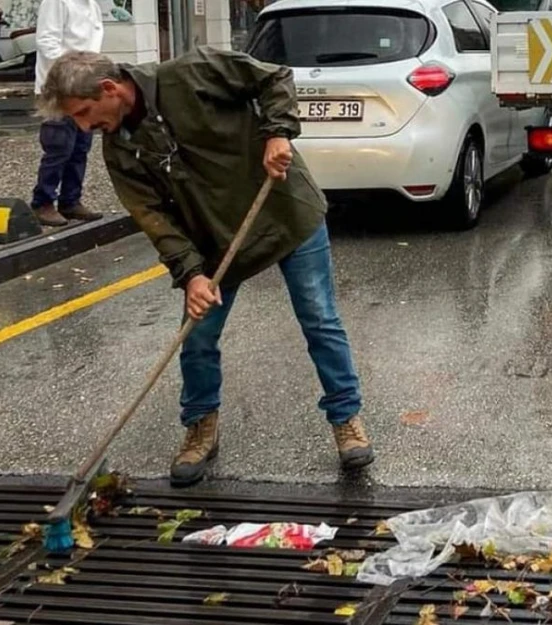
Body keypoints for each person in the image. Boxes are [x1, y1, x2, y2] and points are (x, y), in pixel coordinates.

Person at [34, 47, 373, 487]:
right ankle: (200, 427)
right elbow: (155, 219)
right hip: (213, 242)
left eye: (84, 112)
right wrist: (191, 274)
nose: (84, 126)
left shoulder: (191, 73)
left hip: (283, 210)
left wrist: (277, 133)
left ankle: (347, 421)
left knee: (319, 319)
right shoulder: (119, 149)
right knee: (197, 336)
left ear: (109, 89)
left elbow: (274, 76)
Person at [31, 0, 105, 227]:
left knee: (80, 147)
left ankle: (70, 201)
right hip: (59, 87)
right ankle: (42, 203)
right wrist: (73, 71)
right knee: (58, 147)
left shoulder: (92, 4)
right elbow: (47, 41)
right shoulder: (57, 1)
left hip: (83, 86)